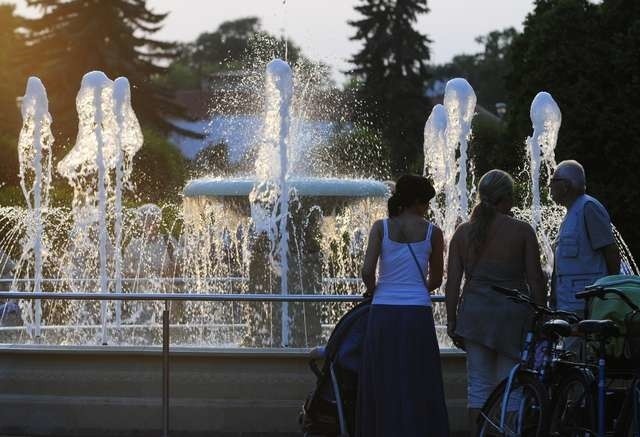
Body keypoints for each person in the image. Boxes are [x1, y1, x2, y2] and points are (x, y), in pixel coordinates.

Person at [445, 169, 545, 432]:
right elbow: (536, 280)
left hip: (475, 316)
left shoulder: (462, 233)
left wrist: (452, 320)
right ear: (507, 198)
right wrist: (541, 314)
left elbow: (453, 284)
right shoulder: (522, 231)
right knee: (510, 388)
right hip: (512, 317)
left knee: (477, 388)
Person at [357, 174, 449, 437]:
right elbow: (436, 279)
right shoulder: (433, 232)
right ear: (418, 201)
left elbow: (366, 271)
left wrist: (375, 291)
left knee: (384, 378)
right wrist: (416, 289)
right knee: (418, 379)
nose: (428, 208)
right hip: (417, 312)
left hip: (383, 310)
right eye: (426, 202)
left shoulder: (381, 227)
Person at [550, 160, 620, 315]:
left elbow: (611, 251)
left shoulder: (588, 207)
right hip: (570, 302)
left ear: (566, 185)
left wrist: (611, 292)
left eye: (553, 181)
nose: (550, 186)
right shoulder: (571, 213)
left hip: (587, 303)